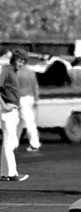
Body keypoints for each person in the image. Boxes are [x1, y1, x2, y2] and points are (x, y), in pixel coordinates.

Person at [0, 49, 29, 181]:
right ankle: (12, 173)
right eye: (19, 60)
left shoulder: (12, 72)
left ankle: (4, 173)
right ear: (13, 59)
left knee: (9, 141)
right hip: (7, 109)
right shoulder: (7, 70)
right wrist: (5, 105)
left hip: (13, 109)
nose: (21, 63)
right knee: (9, 142)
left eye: (23, 61)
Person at [17, 63, 41, 152]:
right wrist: (36, 99)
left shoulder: (17, 73)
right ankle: (13, 143)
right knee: (21, 121)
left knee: (28, 122)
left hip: (21, 98)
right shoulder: (31, 72)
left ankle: (35, 143)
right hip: (31, 97)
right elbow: (35, 86)